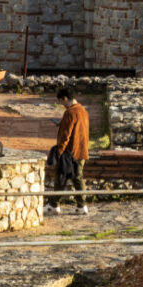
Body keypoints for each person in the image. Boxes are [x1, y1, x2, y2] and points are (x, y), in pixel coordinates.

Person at [47, 87, 92, 216]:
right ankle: (81, 205)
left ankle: (54, 205)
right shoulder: (83, 110)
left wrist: (59, 152)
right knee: (77, 178)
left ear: (65, 99)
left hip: (70, 152)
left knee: (60, 178)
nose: (62, 105)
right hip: (81, 150)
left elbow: (65, 136)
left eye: (61, 102)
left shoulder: (70, 113)